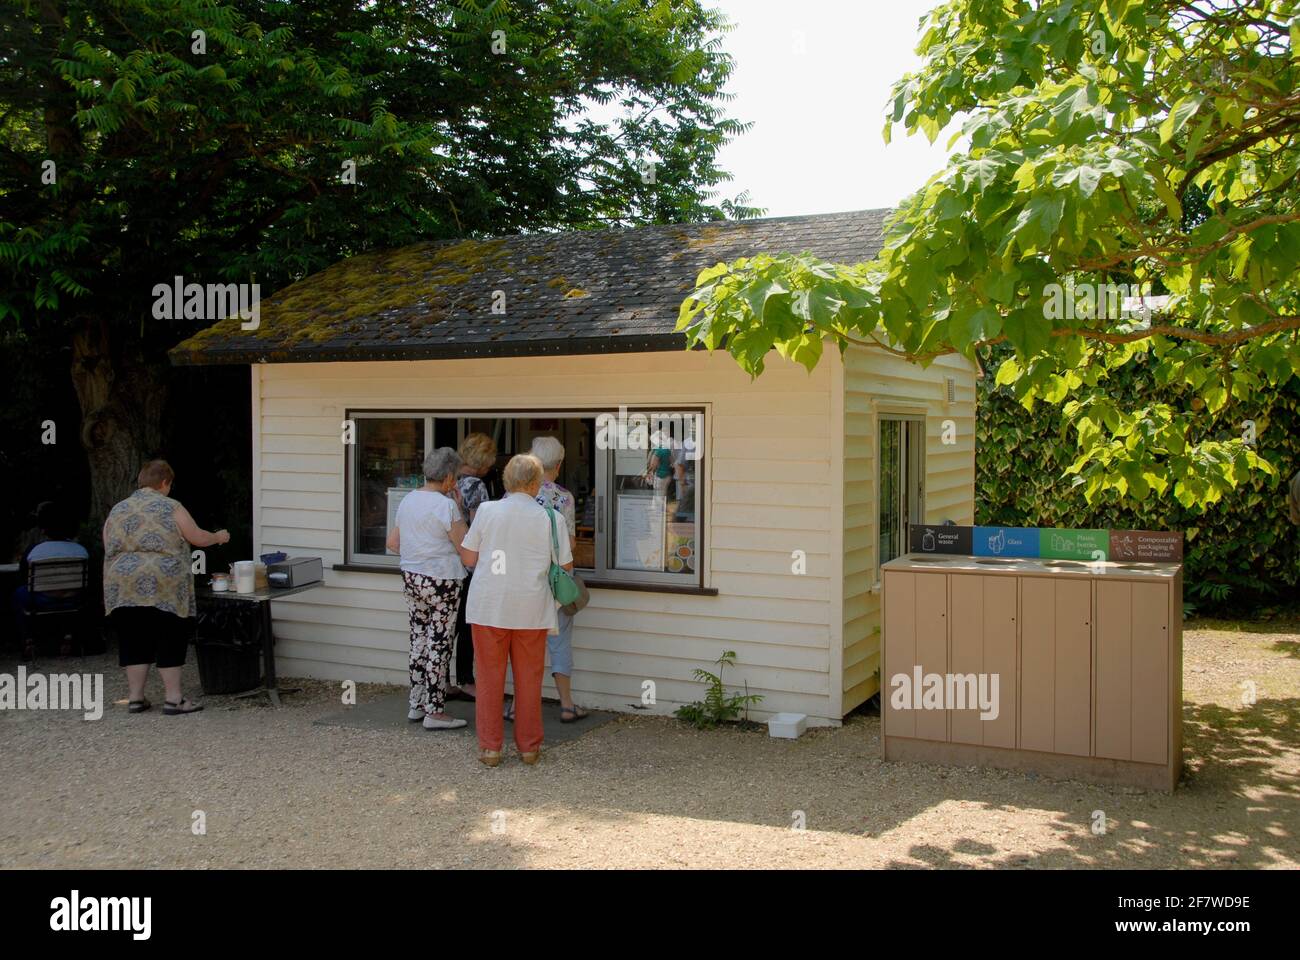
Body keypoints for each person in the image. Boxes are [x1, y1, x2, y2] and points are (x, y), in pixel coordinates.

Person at [458, 454, 572, 767]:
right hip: (532, 608)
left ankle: (491, 748)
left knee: (489, 679)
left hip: (489, 606)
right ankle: (529, 747)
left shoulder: (487, 511)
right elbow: (566, 566)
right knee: (529, 680)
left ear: (508, 480)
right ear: (537, 483)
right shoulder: (552, 518)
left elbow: (468, 558)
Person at [103, 460, 229, 715]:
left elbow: (107, 544)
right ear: (165, 483)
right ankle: (174, 699)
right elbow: (196, 536)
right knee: (169, 633)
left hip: (123, 583)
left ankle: (136, 698)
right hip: (164, 581)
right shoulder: (171, 506)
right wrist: (219, 537)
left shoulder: (118, 508)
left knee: (133, 636)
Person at [387, 448, 469, 730]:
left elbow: (393, 543)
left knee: (418, 640)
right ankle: (435, 711)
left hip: (412, 577)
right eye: (455, 477)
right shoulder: (446, 506)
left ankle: (416, 703)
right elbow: (467, 550)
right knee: (439, 643)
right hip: (442, 580)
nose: (456, 482)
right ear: (447, 478)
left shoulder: (408, 500)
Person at [524, 436, 587, 723]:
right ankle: (566, 704)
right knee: (560, 640)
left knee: (525, 641)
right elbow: (571, 543)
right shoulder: (564, 498)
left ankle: (519, 705)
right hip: (558, 576)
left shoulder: (516, 495)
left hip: (526, 576)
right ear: (559, 464)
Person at [448, 432, 498, 701]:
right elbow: (479, 528)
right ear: (482, 462)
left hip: (444, 564)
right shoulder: (476, 486)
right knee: (466, 626)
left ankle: (441, 682)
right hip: (466, 566)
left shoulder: (445, 481)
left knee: (446, 627)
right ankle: (466, 680)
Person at [13, 502, 89, 659]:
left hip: (41, 600)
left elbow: (23, 577)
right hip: (73, 599)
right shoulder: (80, 551)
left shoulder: (34, 551)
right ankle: (70, 636)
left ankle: (28, 640)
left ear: (43, 527)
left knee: (19, 593)